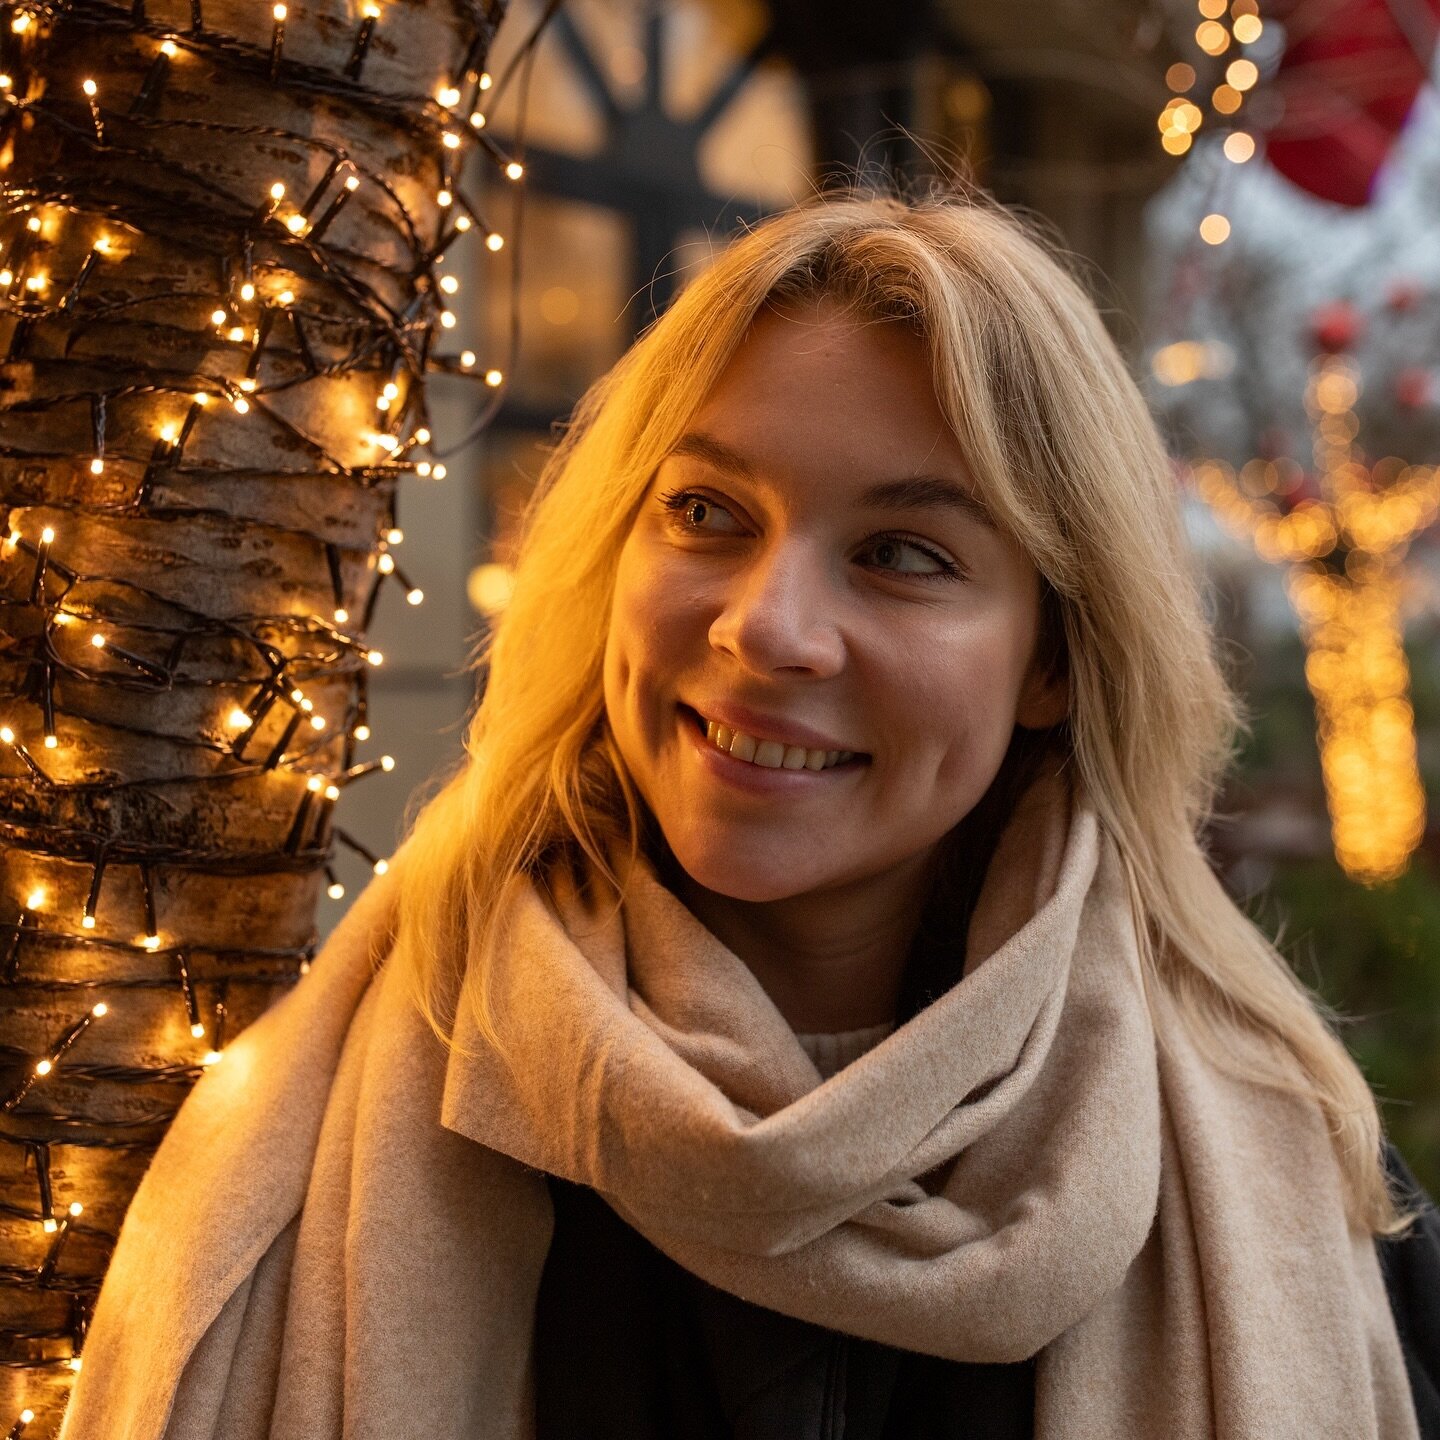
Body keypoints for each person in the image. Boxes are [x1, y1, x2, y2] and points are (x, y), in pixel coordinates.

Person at [61, 186, 1440, 1440]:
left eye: (903, 554)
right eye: (709, 511)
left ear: (1054, 661)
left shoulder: (1301, 1180)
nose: (768, 626)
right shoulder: (310, 1127)